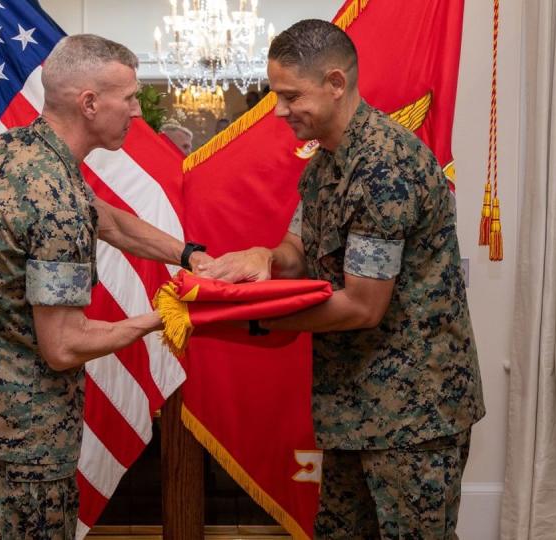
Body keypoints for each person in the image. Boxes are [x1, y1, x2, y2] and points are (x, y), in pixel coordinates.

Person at [0, 34, 211, 538]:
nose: (138, 111)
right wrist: (163, 317)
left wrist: (188, 256)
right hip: (17, 445)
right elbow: (64, 346)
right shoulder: (58, 202)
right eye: (131, 97)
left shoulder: (8, 153)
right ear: (90, 104)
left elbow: (108, 221)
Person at [197, 20, 484, 539]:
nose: (279, 111)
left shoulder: (384, 168)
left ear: (335, 83)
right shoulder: (325, 164)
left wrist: (252, 317)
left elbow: (362, 306)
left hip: (412, 415)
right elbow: (302, 246)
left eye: (290, 96)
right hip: (354, 408)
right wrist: (266, 258)